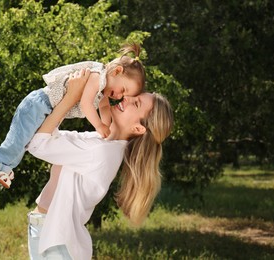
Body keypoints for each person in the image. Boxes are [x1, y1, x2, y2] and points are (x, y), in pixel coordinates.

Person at [26, 68, 173, 259]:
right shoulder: (101, 142)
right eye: (132, 95)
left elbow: (37, 144)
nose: (125, 97)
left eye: (135, 103)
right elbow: (46, 134)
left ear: (138, 128)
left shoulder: (100, 152)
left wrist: (71, 97)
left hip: (57, 241)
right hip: (50, 235)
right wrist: (77, 95)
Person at [0, 43, 146, 188]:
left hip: (47, 109)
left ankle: (7, 166)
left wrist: (106, 128)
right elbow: (85, 103)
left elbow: (104, 107)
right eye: (123, 90)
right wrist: (98, 126)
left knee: (24, 140)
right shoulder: (98, 77)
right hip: (39, 103)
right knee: (18, 137)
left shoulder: (103, 89)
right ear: (117, 71)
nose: (119, 96)